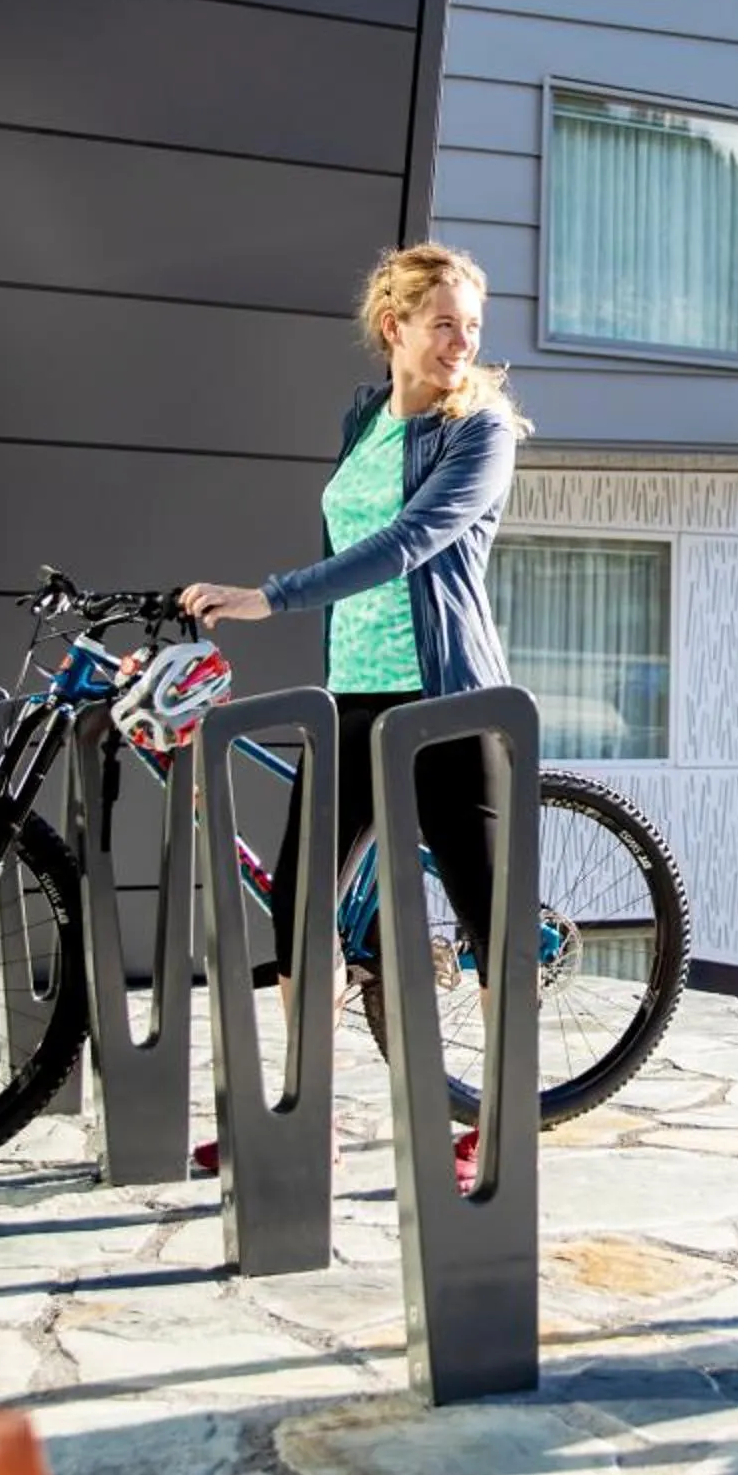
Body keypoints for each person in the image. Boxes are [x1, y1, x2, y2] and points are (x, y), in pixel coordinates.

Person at [178, 242, 531, 1187]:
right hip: (353, 696)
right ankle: (307, 1122)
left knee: (492, 926)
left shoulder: (481, 432)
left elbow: (413, 541)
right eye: (444, 322)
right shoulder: (366, 418)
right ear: (395, 328)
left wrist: (270, 596)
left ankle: (501, 1128)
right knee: (300, 913)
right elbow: (354, 535)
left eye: (473, 327)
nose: (462, 342)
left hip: (448, 700)